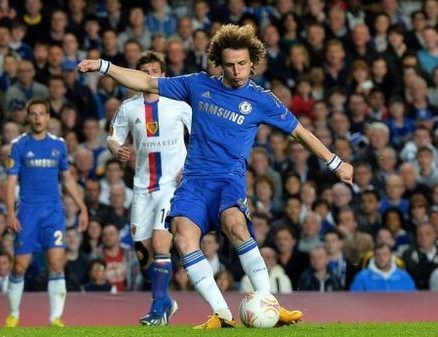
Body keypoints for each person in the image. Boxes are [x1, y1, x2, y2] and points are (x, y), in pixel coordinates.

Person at [78, 24, 353, 329]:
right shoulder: (198, 85)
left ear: (253, 62)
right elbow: (147, 81)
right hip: (194, 181)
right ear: (219, 64)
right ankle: (222, 315)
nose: (237, 71)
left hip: (228, 180)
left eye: (242, 64)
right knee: (183, 237)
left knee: (235, 223)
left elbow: (300, 133)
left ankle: (269, 304)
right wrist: (103, 66)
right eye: (230, 65)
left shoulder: (262, 99)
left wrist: (335, 162)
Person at [106, 51, 192, 326]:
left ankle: (158, 309)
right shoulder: (129, 108)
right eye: (146, 71)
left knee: (159, 242)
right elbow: (113, 137)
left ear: (164, 75)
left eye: (156, 70)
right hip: (142, 187)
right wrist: (117, 149)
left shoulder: (179, 105)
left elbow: (201, 138)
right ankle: (165, 298)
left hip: (171, 185)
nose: (151, 75)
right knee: (143, 252)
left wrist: (189, 168)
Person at [4, 99, 88, 328]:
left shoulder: (59, 145)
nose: (38, 118)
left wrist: (82, 206)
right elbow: (10, 183)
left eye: (42, 114)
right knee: (19, 265)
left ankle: (55, 319)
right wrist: (10, 213)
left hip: (53, 212)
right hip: (28, 212)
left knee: (57, 263)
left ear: (49, 117)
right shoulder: (19, 145)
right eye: (33, 114)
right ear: (28, 117)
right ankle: (13, 314)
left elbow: (67, 179)